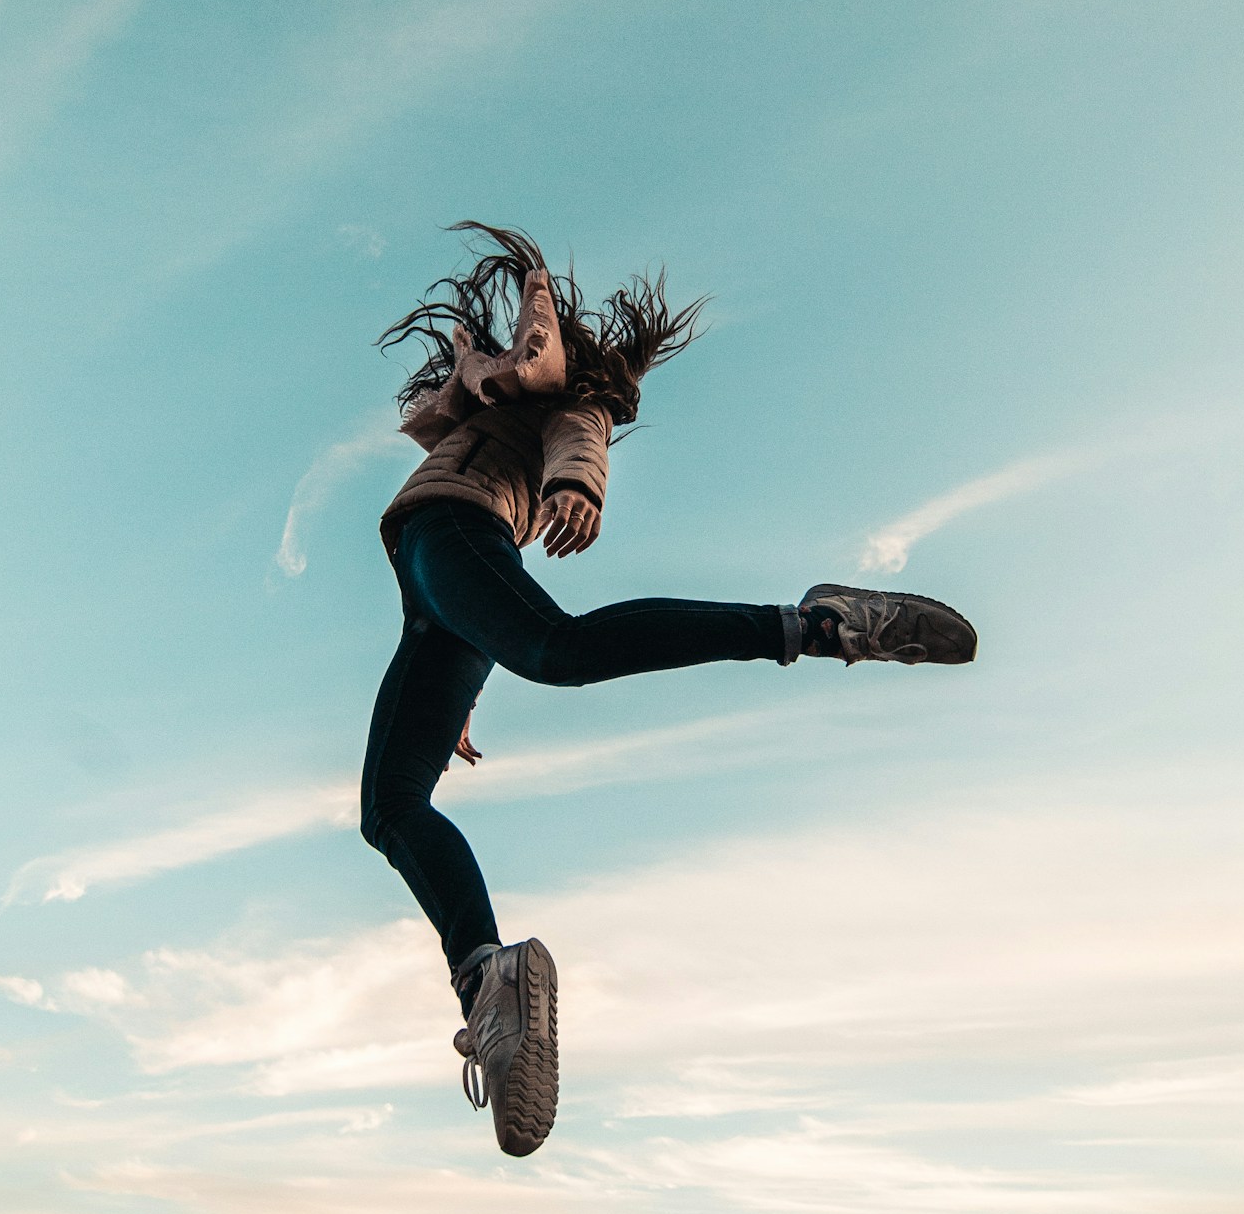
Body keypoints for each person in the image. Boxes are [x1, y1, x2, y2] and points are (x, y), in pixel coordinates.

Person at [359, 223, 976, 1158]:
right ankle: (488, 978)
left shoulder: (568, 402)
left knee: (559, 649)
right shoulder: (489, 419)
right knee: (390, 805)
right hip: (436, 596)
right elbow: (440, 567)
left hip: (457, 542)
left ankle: (815, 625)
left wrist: (579, 484)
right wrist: (459, 684)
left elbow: (580, 432)